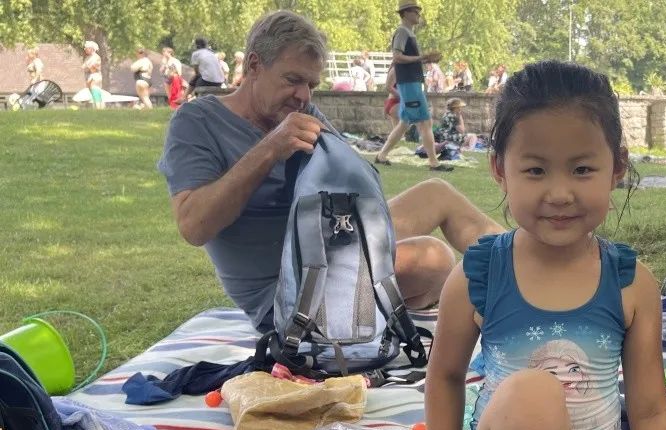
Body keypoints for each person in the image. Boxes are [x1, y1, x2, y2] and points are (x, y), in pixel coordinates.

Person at [425, 60, 666, 430]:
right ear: (500, 169)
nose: (560, 193)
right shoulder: (478, 274)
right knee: (533, 397)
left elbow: (649, 410)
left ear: (617, 168)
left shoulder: (631, 284)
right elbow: (445, 376)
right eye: (536, 170)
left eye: (582, 169)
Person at [158, 10, 502, 333]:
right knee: (433, 259)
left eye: (311, 84)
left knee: (436, 193)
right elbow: (194, 225)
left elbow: (361, 185)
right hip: (288, 294)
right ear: (253, 65)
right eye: (293, 80)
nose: (303, 96)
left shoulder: (300, 111)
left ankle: (526, 272)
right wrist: (270, 149)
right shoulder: (198, 121)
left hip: (330, 243)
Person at [373, 0, 453, 171]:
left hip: (411, 83)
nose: (418, 14)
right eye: (415, 11)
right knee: (425, 122)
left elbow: (407, 59)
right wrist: (421, 58)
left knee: (404, 124)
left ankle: (381, 156)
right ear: (405, 13)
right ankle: (433, 162)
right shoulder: (402, 32)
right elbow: (397, 57)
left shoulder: (409, 33)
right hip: (409, 84)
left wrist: (425, 59)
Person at [82, 41, 104, 109]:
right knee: (92, 92)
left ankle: (99, 107)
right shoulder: (88, 58)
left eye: (87, 48)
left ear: (91, 48)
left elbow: (93, 67)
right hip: (89, 76)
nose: (85, 49)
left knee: (95, 90)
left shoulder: (96, 57)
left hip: (95, 76)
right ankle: (97, 107)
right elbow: (83, 67)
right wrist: (87, 67)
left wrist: (88, 67)